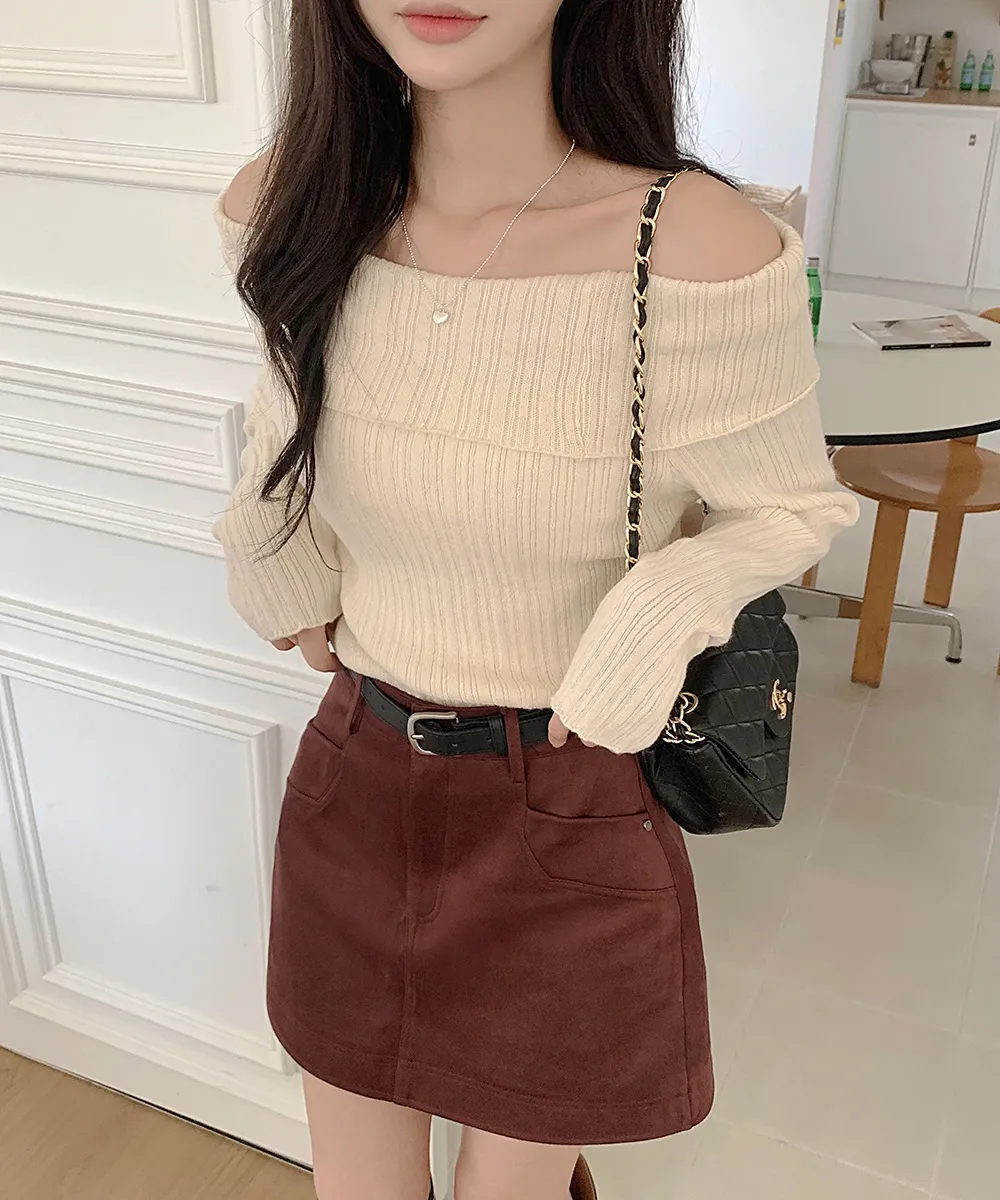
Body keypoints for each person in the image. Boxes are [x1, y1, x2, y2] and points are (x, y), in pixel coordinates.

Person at [211, 2, 859, 1198]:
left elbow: (791, 506)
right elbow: (279, 405)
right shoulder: (288, 201)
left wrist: (658, 614)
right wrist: (268, 547)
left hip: (566, 803)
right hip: (359, 773)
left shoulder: (698, 249)